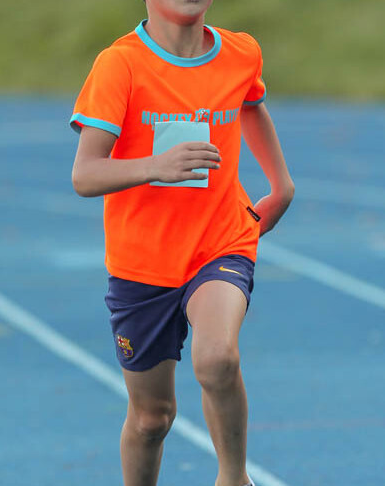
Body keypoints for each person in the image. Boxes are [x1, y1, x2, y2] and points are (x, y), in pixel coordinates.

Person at [70, 1, 294, 485]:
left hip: (221, 240)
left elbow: (252, 106)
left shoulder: (240, 52)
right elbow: (85, 174)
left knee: (217, 359)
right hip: (143, 263)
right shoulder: (121, 64)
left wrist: (281, 184)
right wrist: (156, 165)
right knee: (152, 418)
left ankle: (234, 478)